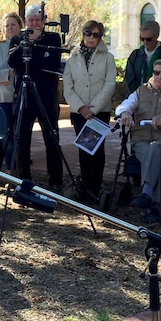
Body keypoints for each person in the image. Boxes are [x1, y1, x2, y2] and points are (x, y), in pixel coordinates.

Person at [6, 4, 64, 188]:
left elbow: (52, 62)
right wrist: (29, 44)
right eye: (31, 20)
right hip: (24, 96)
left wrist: (32, 51)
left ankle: (56, 181)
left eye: (38, 20)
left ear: (44, 21)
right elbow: (13, 62)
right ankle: (23, 179)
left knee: (52, 137)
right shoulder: (17, 39)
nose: (34, 23)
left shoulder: (53, 38)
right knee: (22, 139)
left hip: (46, 97)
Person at [116, 58, 161, 224]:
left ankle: (147, 196)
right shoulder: (141, 90)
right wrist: (125, 114)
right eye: (156, 72)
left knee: (155, 149)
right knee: (151, 154)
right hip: (141, 140)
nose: (159, 77)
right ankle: (151, 203)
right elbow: (124, 105)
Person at [61, 20, 116, 201]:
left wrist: (93, 108)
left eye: (96, 35)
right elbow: (68, 88)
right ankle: (85, 188)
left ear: (101, 37)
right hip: (79, 112)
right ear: (82, 34)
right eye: (88, 33)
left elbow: (109, 85)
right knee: (84, 150)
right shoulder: (73, 59)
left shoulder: (108, 58)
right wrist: (81, 108)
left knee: (97, 150)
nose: (91, 38)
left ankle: (95, 187)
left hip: (99, 112)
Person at [0, 12, 24, 124]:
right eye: (7, 25)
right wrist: (7, 73)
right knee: (6, 137)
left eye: (13, 24)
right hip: (4, 100)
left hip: (23, 100)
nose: (10, 28)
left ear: (20, 26)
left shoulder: (27, 46)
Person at [122, 20, 161, 95]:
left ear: (157, 36)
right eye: (142, 39)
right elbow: (129, 79)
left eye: (148, 39)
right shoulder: (135, 55)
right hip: (138, 96)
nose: (145, 42)